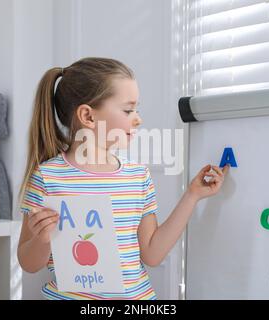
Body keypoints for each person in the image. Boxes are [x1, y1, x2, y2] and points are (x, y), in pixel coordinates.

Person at [17, 57, 228, 300]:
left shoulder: (137, 176)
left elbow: (152, 254)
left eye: (136, 110)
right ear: (88, 116)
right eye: (128, 110)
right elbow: (29, 263)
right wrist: (43, 239)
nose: (138, 119)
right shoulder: (47, 177)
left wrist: (193, 195)